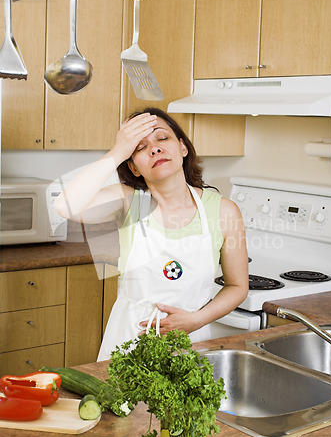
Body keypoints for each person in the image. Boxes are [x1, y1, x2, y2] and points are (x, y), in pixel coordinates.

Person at [55, 108, 249, 361]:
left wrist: (197, 319)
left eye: (162, 138)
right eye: (139, 147)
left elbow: (237, 286)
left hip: (190, 342)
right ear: (133, 167)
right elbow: (66, 206)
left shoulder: (223, 211)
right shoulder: (130, 202)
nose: (154, 149)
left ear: (183, 147)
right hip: (128, 342)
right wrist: (117, 152)